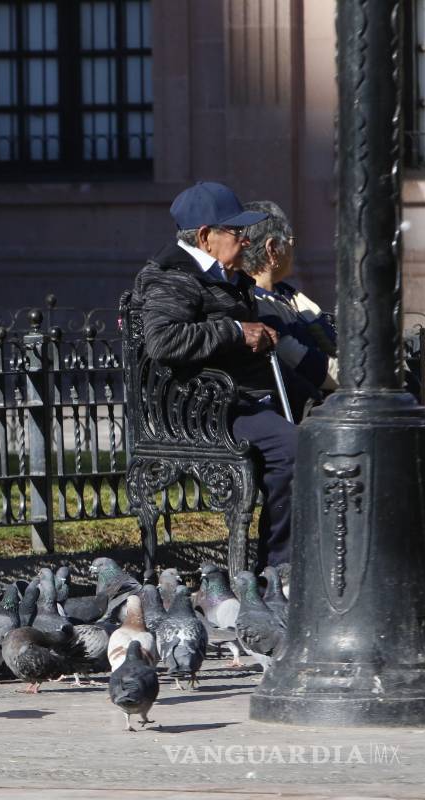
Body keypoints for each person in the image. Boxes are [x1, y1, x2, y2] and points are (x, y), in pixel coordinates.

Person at [131, 181, 312, 570]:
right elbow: (162, 341)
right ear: (204, 236)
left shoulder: (226, 275)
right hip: (204, 409)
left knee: (335, 428)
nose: (246, 241)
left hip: (243, 395)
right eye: (237, 232)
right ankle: (280, 568)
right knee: (292, 450)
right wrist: (235, 331)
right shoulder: (172, 276)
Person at [240, 200, 339, 394]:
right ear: (272, 249)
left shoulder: (286, 294)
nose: (292, 246)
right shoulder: (257, 305)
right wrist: (370, 377)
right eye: (289, 240)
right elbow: (308, 367)